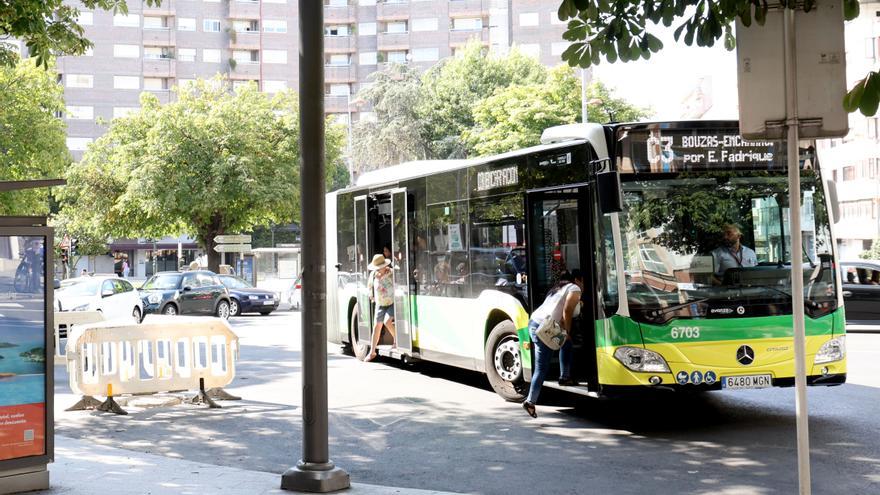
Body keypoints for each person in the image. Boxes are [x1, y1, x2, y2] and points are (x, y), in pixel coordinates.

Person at [522, 269, 584, 419]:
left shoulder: (558, 288)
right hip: (545, 327)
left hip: (535, 322)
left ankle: (565, 376)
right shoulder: (575, 288)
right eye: (584, 280)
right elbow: (567, 311)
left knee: (566, 345)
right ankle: (530, 401)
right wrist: (567, 331)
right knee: (541, 368)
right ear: (578, 279)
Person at [365, 254, 397, 362]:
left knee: (387, 321)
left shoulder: (391, 272)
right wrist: (371, 295)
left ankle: (396, 338)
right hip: (380, 304)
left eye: (380, 266)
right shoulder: (373, 275)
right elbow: (369, 286)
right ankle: (372, 352)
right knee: (376, 327)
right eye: (377, 267)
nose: (378, 269)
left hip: (391, 302)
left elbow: (399, 280)